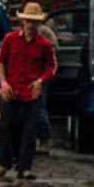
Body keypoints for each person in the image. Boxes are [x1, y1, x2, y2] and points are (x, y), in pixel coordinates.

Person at [0, 2, 57, 179]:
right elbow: (0, 61)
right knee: (6, 127)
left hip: (31, 93)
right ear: (23, 22)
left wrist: (41, 81)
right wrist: (4, 83)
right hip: (12, 90)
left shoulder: (45, 45)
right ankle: (4, 163)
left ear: (39, 24)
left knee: (30, 130)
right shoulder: (10, 39)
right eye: (28, 21)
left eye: (34, 22)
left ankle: (25, 167)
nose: (30, 25)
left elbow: (51, 67)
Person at [34, 20, 58, 155]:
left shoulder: (45, 33)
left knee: (40, 107)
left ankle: (44, 141)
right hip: (31, 77)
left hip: (40, 78)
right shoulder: (18, 37)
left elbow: (52, 58)